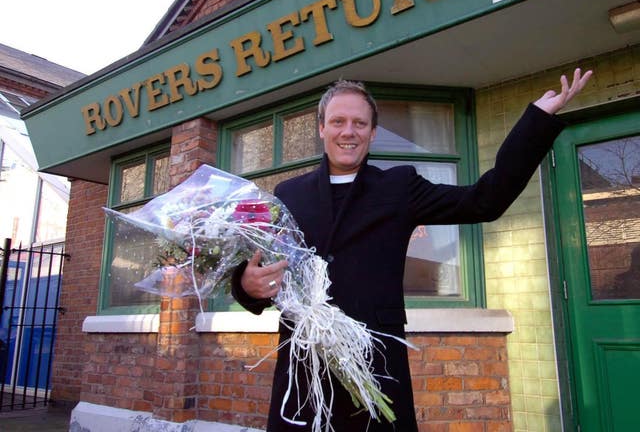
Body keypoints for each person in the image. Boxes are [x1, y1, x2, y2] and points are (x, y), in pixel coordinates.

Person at [232, 68, 593, 431]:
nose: (348, 131)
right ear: (321, 128)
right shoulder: (288, 194)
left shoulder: (399, 186)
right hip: (303, 370)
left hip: (377, 365)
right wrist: (247, 285)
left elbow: (487, 200)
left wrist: (536, 120)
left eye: (359, 123)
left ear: (372, 133)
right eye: (338, 121)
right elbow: (264, 272)